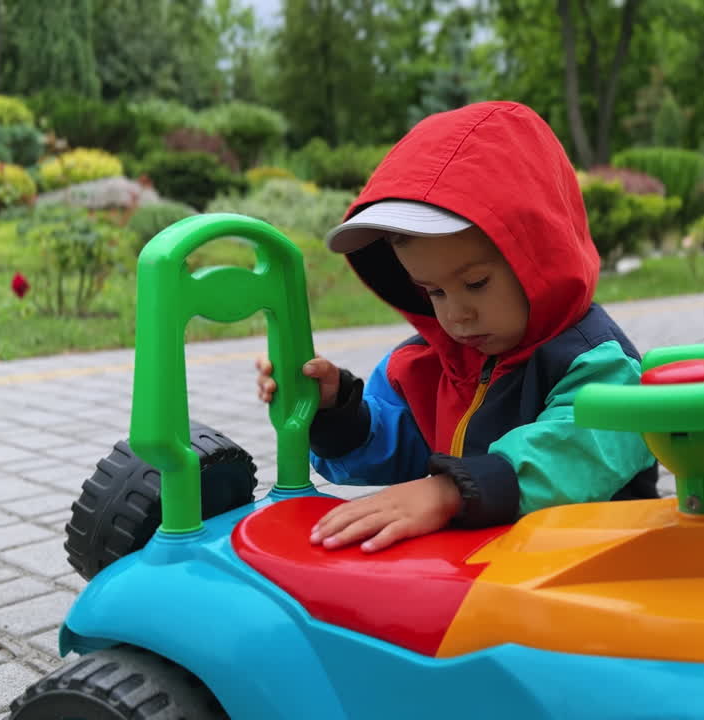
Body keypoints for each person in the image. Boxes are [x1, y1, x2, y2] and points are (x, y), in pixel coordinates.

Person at [256, 100, 659, 553]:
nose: (456, 315)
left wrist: (450, 492)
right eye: (434, 291)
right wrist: (337, 414)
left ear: (539, 255)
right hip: (487, 584)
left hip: (601, 576)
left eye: (475, 283)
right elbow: (398, 453)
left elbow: (575, 452)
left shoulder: (598, 365)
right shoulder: (427, 365)